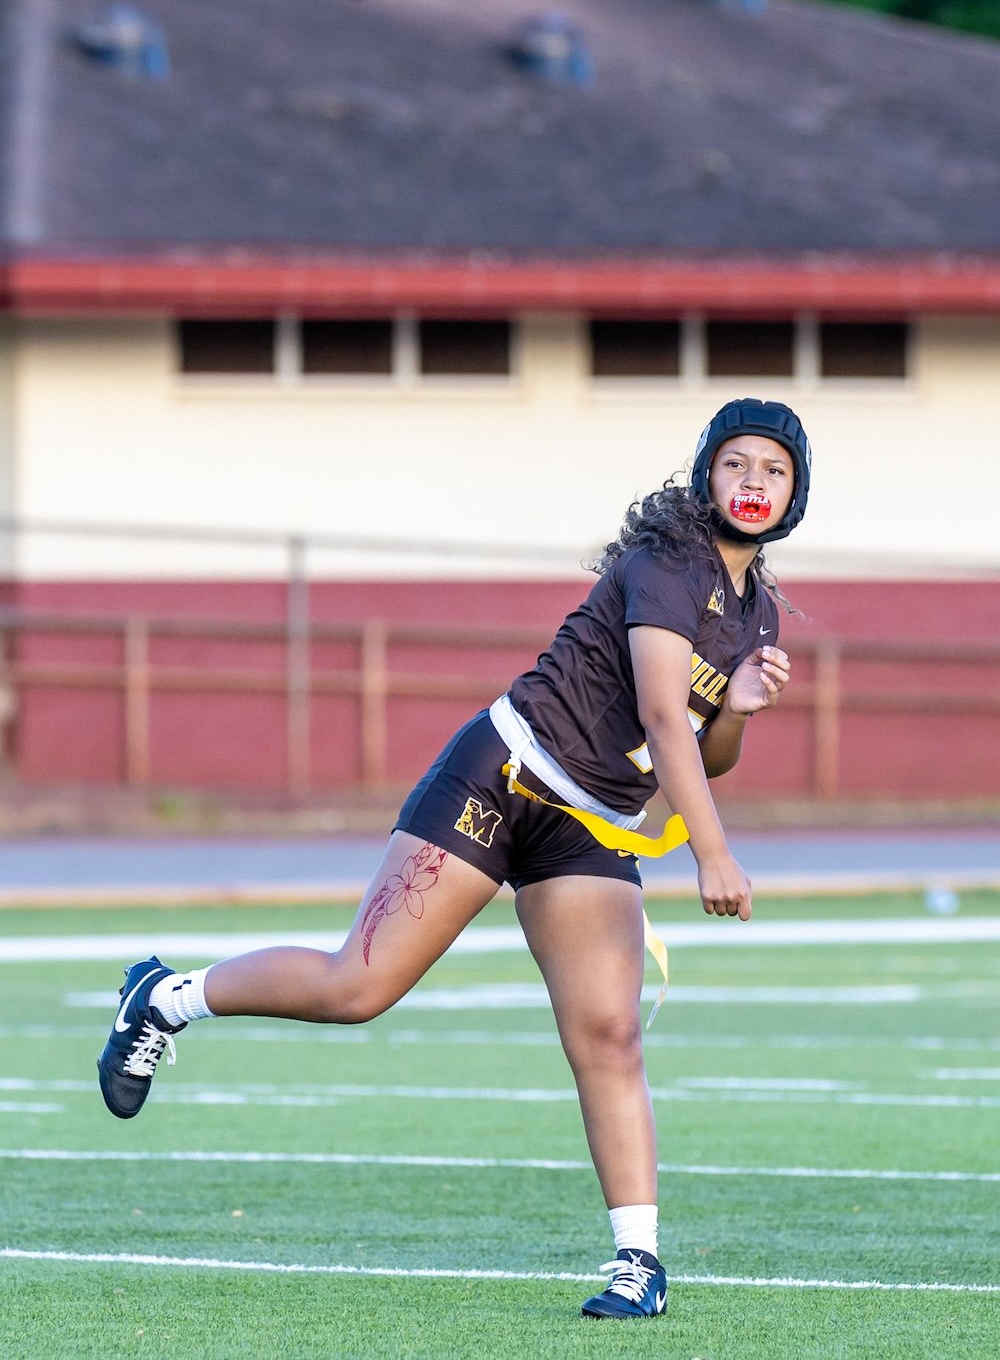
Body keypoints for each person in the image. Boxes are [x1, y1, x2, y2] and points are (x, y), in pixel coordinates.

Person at [98, 395, 811, 1321]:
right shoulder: (671, 562)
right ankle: (166, 996)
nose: (754, 482)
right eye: (737, 463)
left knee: (610, 1035)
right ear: (706, 473)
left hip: (592, 825)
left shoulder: (757, 615)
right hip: (504, 775)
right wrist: (712, 853)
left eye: (774, 469)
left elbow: (707, 750)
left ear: (796, 494)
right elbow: (662, 718)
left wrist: (742, 708)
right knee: (358, 987)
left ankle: (639, 1264)